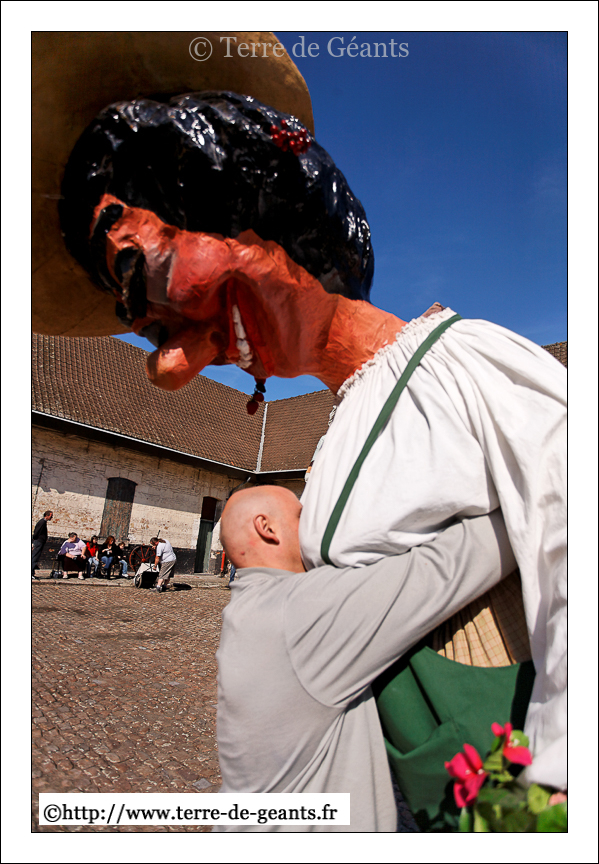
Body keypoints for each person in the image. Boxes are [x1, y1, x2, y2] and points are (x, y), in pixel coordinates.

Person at [55, 80, 566, 818]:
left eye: (149, 273)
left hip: (513, 786)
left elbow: (569, 527)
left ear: (255, 210)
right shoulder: (336, 437)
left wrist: (560, 769)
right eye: (152, 329)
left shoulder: (464, 362)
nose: (171, 365)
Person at [213, 486, 518, 833]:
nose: (314, 524)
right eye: (302, 516)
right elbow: (452, 566)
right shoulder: (299, 609)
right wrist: (530, 497)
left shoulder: (248, 610)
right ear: (267, 528)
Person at [32, 510, 53, 580]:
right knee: (34, 557)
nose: (52, 517)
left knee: (35, 557)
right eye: (51, 516)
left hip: (39, 541)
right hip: (38, 542)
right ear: (47, 515)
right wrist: (35, 540)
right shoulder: (42, 522)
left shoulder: (43, 522)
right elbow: (36, 532)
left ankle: (32, 572)